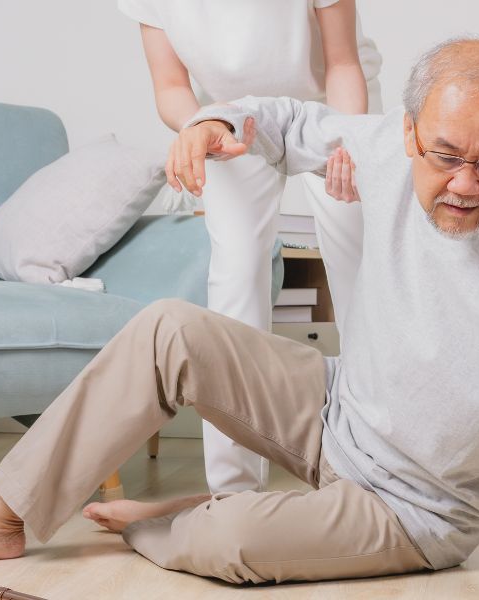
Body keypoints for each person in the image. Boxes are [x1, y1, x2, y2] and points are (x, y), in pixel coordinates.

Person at [0, 37, 479, 598]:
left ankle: (180, 518)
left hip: (415, 507)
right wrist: (212, 124)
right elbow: (285, 122)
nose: (462, 184)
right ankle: (3, 513)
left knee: (228, 543)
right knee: (168, 328)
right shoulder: (388, 148)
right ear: (410, 131)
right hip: (336, 410)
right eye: (444, 153)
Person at [117, 0, 383, 495]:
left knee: (358, 277)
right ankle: (233, 490)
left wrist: (352, 142)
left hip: (335, 111)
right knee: (235, 286)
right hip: (231, 123)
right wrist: (200, 125)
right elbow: (171, 87)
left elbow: (343, 61)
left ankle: (378, 469)